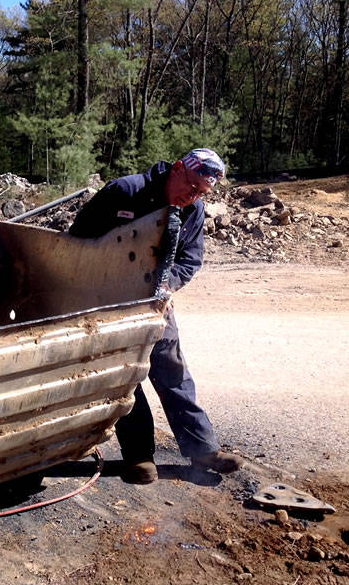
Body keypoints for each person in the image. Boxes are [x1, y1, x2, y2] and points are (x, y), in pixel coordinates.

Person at [69, 148, 244, 484]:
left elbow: (190, 260)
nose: (191, 195)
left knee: (172, 373)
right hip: (110, 301)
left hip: (156, 303)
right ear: (177, 168)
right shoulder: (125, 191)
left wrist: (167, 285)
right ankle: (139, 457)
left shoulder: (193, 209)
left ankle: (202, 448)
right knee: (124, 379)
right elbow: (79, 238)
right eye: (190, 185)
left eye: (200, 192)